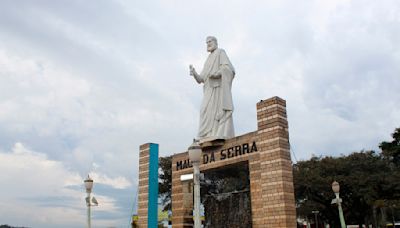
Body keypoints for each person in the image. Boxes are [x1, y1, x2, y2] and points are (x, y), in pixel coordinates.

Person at [189, 36, 235, 140]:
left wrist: (218, 74)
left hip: (217, 89)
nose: (208, 44)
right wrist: (194, 73)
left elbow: (228, 68)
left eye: (210, 42)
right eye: (207, 42)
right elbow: (201, 79)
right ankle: (206, 135)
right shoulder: (208, 60)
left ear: (215, 42)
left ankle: (215, 133)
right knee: (204, 110)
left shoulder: (220, 52)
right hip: (208, 90)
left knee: (215, 112)